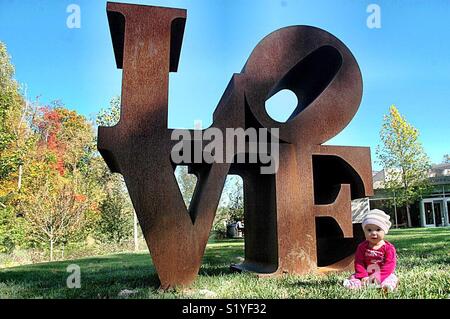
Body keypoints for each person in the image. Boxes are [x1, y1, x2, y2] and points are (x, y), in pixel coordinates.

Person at [343, 209, 399, 292]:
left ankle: (385, 287)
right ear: (364, 231)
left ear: (385, 231)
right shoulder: (362, 247)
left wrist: (377, 277)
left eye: (378, 230)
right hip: (366, 274)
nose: (373, 233)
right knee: (354, 277)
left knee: (392, 278)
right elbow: (359, 263)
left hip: (383, 274)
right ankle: (353, 285)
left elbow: (389, 266)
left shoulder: (389, 248)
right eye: (369, 230)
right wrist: (363, 276)